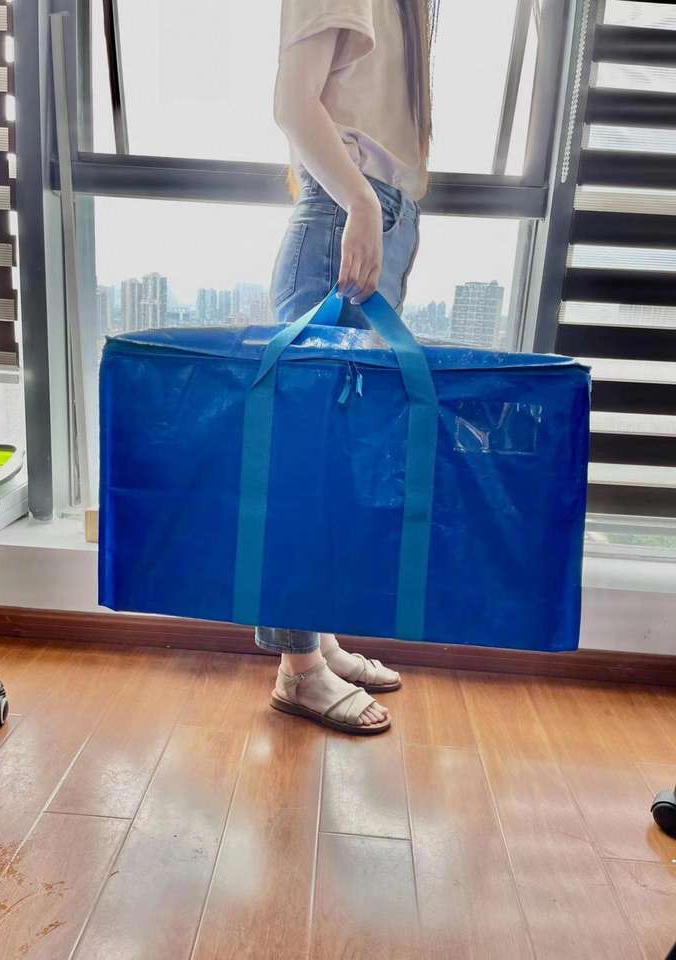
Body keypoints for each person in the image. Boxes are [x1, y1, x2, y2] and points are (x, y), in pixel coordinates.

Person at [255, 0, 436, 734]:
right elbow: (292, 102)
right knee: (307, 466)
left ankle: (317, 641)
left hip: (375, 213)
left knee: (332, 463)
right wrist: (360, 202)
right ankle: (298, 669)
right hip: (347, 213)